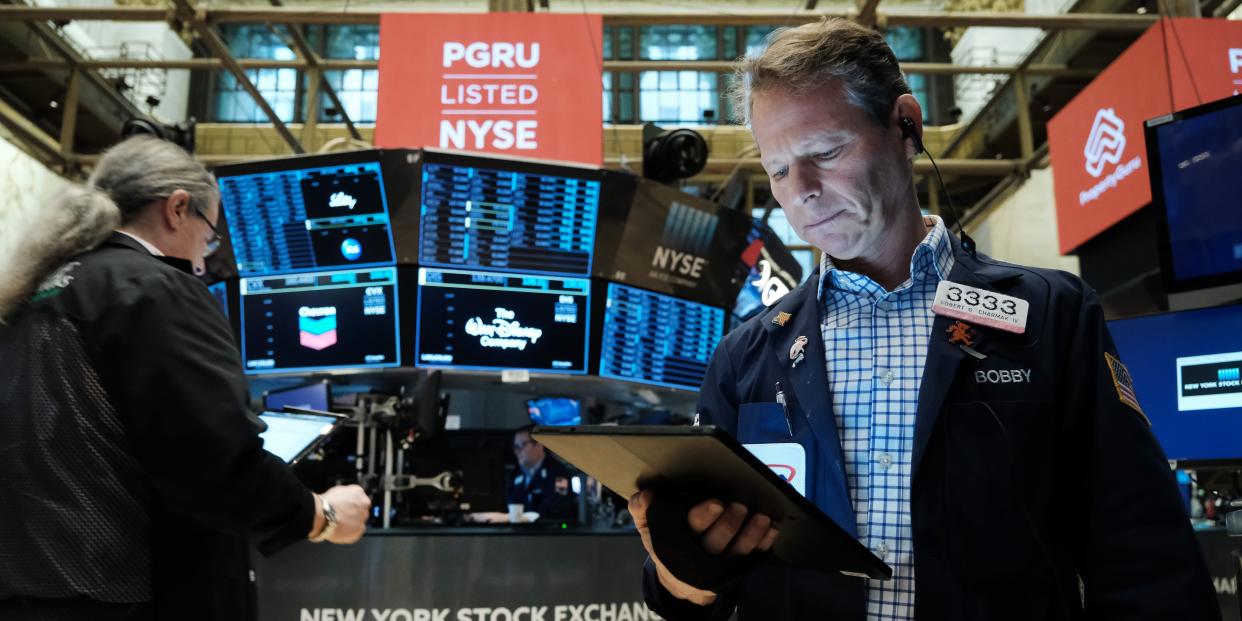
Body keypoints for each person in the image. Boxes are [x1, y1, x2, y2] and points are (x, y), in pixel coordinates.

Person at [629, 18, 1219, 621]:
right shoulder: (744, 355)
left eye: (826, 152)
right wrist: (684, 571)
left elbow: (1145, 558)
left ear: (904, 124)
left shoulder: (1052, 316)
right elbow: (690, 593)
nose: (801, 189)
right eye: (778, 170)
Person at [0, 135, 371, 620]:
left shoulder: (29, 297)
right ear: (177, 208)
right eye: (209, 234)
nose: (204, 256)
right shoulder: (155, 288)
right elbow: (213, 461)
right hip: (128, 597)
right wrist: (320, 514)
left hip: (29, 593)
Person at [507, 424, 576, 522]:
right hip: (518, 533)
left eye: (522, 445)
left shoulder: (558, 472)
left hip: (548, 533)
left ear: (539, 444)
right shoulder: (516, 473)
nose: (517, 451)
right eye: (516, 447)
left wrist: (527, 517)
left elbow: (557, 508)